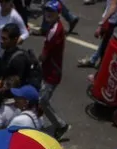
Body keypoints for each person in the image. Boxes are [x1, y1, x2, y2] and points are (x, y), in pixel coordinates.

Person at [38, 1, 68, 139]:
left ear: (58, 13)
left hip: (51, 73)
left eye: (52, 11)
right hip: (51, 69)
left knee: (42, 101)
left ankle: (60, 124)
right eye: (47, 10)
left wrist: (37, 59)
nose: (48, 13)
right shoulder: (57, 26)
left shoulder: (54, 31)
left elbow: (44, 56)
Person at [78, 0, 117, 68]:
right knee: (106, 44)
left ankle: (98, 73)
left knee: (108, 49)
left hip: (115, 22)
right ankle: (93, 60)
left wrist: (102, 23)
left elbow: (113, 7)